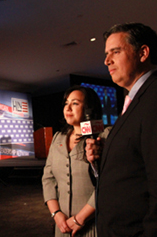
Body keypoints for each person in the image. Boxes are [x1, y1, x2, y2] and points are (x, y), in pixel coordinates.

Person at [85, 23, 157, 236]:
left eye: (116, 51)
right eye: (106, 54)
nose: (106, 61)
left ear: (143, 53)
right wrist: (99, 160)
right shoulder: (136, 100)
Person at [42, 85, 106, 237]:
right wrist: (56, 214)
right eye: (66, 103)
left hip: (93, 226)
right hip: (62, 226)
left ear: (89, 109)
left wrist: (80, 219)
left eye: (75, 103)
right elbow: (48, 178)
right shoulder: (58, 137)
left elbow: (108, 183)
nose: (68, 108)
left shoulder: (104, 137)